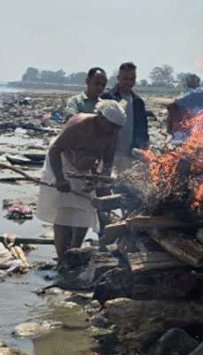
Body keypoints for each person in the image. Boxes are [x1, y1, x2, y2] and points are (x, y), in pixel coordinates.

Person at [36, 100, 125, 262]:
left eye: (118, 128)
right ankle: (62, 257)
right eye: (112, 126)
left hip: (86, 166)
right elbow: (55, 150)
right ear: (101, 118)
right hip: (62, 161)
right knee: (63, 209)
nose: (114, 131)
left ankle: (74, 253)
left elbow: (107, 161)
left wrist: (100, 181)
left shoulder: (113, 133)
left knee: (84, 210)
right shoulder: (79, 125)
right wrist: (60, 179)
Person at [101, 62, 149, 173]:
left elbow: (143, 129)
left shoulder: (138, 102)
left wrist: (145, 148)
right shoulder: (107, 98)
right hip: (108, 153)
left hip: (129, 154)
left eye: (132, 79)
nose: (129, 82)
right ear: (119, 78)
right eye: (125, 79)